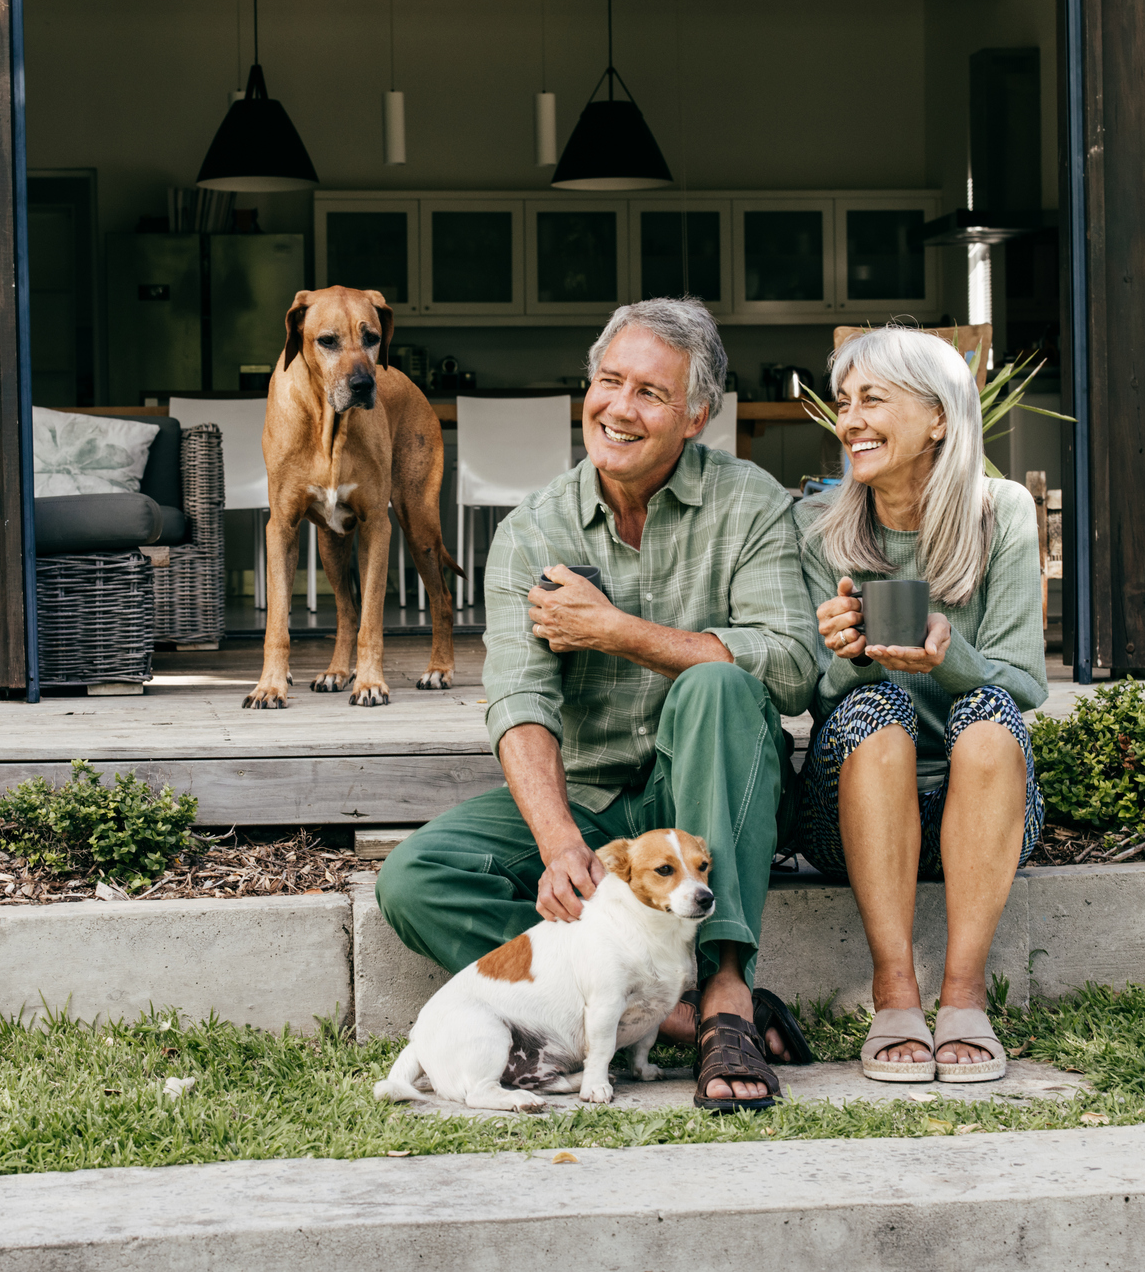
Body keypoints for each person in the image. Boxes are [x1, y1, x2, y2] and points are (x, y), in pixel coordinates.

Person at [377, 297, 821, 1111]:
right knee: (417, 877)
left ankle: (726, 993)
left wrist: (616, 631)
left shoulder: (749, 502)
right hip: (588, 799)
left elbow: (792, 666)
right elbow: (518, 698)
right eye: (608, 382)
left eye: (649, 393)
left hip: (703, 797)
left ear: (695, 416)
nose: (619, 407)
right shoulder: (534, 529)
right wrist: (556, 842)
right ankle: (666, 1016)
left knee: (719, 684)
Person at [792, 326, 1047, 1083]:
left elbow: (1026, 683)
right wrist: (843, 660)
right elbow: (805, 694)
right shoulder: (819, 529)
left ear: (940, 416)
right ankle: (894, 990)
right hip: (853, 816)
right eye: (844, 403)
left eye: (874, 398)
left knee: (990, 719)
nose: (851, 420)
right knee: (877, 716)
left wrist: (948, 654)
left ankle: (964, 995)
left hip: (984, 813)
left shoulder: (1001, 512)